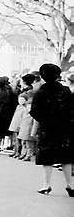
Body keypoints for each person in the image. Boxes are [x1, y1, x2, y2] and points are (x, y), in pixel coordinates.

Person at [30, 63, 73, 196]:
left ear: (43, 76)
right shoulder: (66, 91)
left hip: (47, 129)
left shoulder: (40, 93)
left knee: (47, 158)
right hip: (65, 128)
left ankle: (46, 185)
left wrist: (45, 119)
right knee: (66, 157)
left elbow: (35, 112)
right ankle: (70, 185)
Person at [17, 91, 35, 161]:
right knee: (23, 143)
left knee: (29, 145)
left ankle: (28, 155)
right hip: (24, 131)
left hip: (29, 132)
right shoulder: (25, 113)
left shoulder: (33, 115)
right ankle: (23, 153)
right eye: (28, 107)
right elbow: (22, 121)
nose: (28, 108)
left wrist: (33, 133)